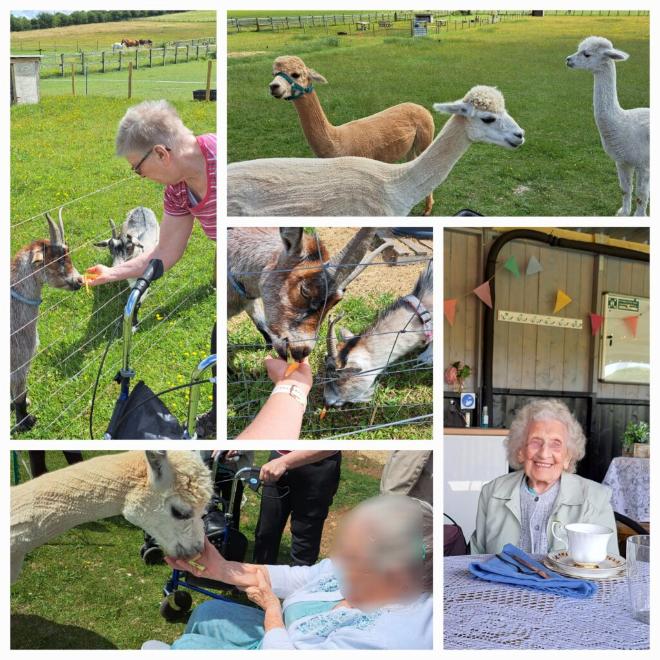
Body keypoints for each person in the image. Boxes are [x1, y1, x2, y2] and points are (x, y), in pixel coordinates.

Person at [143, 495, 432, 650]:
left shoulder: (388, 638)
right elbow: (295, 578)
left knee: (188, 646)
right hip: (280, 634)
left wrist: (271, 610)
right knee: (208, 613)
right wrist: (220, 567)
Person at [86, 100, 216, 435]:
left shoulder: (223, 158)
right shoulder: (177, 191)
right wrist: (112, 273)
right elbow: (167, 251)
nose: (140, 177)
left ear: (161, 153)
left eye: (137, 169)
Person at [471, 399, 617, 555]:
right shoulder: (492, 493)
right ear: (520, 451)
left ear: (568, 456)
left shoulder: (596, 499)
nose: (544, 453)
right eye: (535, 442)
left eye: (556, 443)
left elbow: (608, 568)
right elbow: (475, 560)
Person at [253, 450, 341, 566]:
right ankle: (259, 578)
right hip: (278, 460)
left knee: (305, 543)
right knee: (266, 532)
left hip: (318, 464)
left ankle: (301, 582)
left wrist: (284, 462)